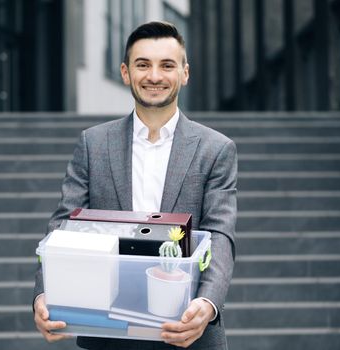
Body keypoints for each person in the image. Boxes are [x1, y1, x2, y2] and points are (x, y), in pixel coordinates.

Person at [33, 21, 237, 349]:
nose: (154, 76)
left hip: (189, 332)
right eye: (143, 65)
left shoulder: (216, 149)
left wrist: (207, 303)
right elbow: (62, 228)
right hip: (108, 331)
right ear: (126, 72)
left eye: (167, 65)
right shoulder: (93, 143)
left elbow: (220, 235)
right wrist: (45, 294)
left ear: (185, 73)